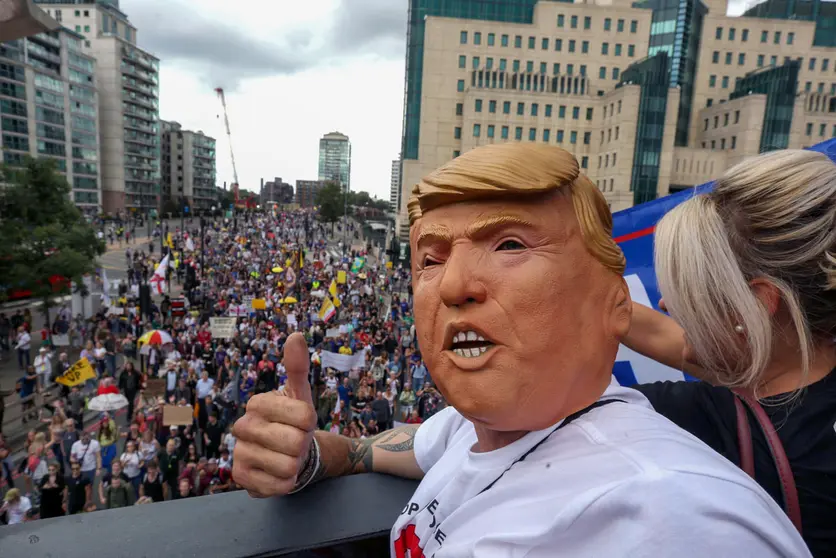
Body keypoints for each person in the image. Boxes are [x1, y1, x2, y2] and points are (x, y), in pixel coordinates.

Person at [232, 144, 810, 557]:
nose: (454, 284)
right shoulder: (475, 427)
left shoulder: (670, 516)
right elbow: (380, 450)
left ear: (616, 307)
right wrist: (304, 455)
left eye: (509, 244)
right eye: (430, 259)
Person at [621, 149, 836, 556]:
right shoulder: (785, 376)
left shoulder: (686, 422)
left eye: (694, 290)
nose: (666, 303)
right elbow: (671, 340)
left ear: (754, 306)